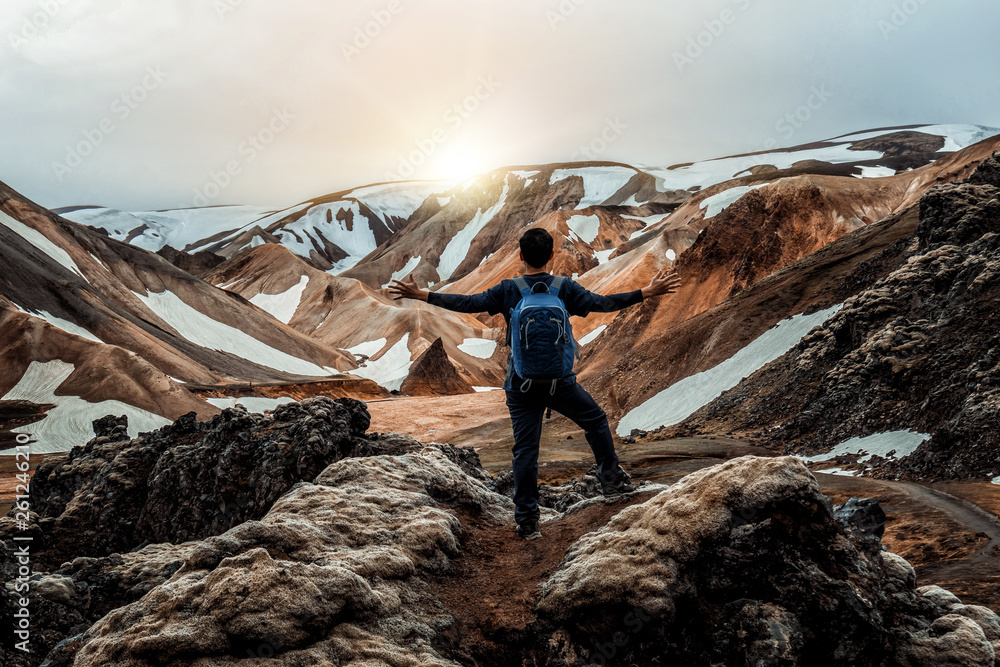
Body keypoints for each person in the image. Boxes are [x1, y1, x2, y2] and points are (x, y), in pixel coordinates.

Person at [388, 228, 681, 540]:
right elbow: (602, 303)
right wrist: (646, 292)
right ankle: (612, 482)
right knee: (595, 420)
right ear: (552, 256)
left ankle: (528, 522)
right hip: (561, 383)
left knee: (526, 450)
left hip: (521, 385)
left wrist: (423, 295)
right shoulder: (564, 287)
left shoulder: (508, 290)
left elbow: (468, 303)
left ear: (520, 256)